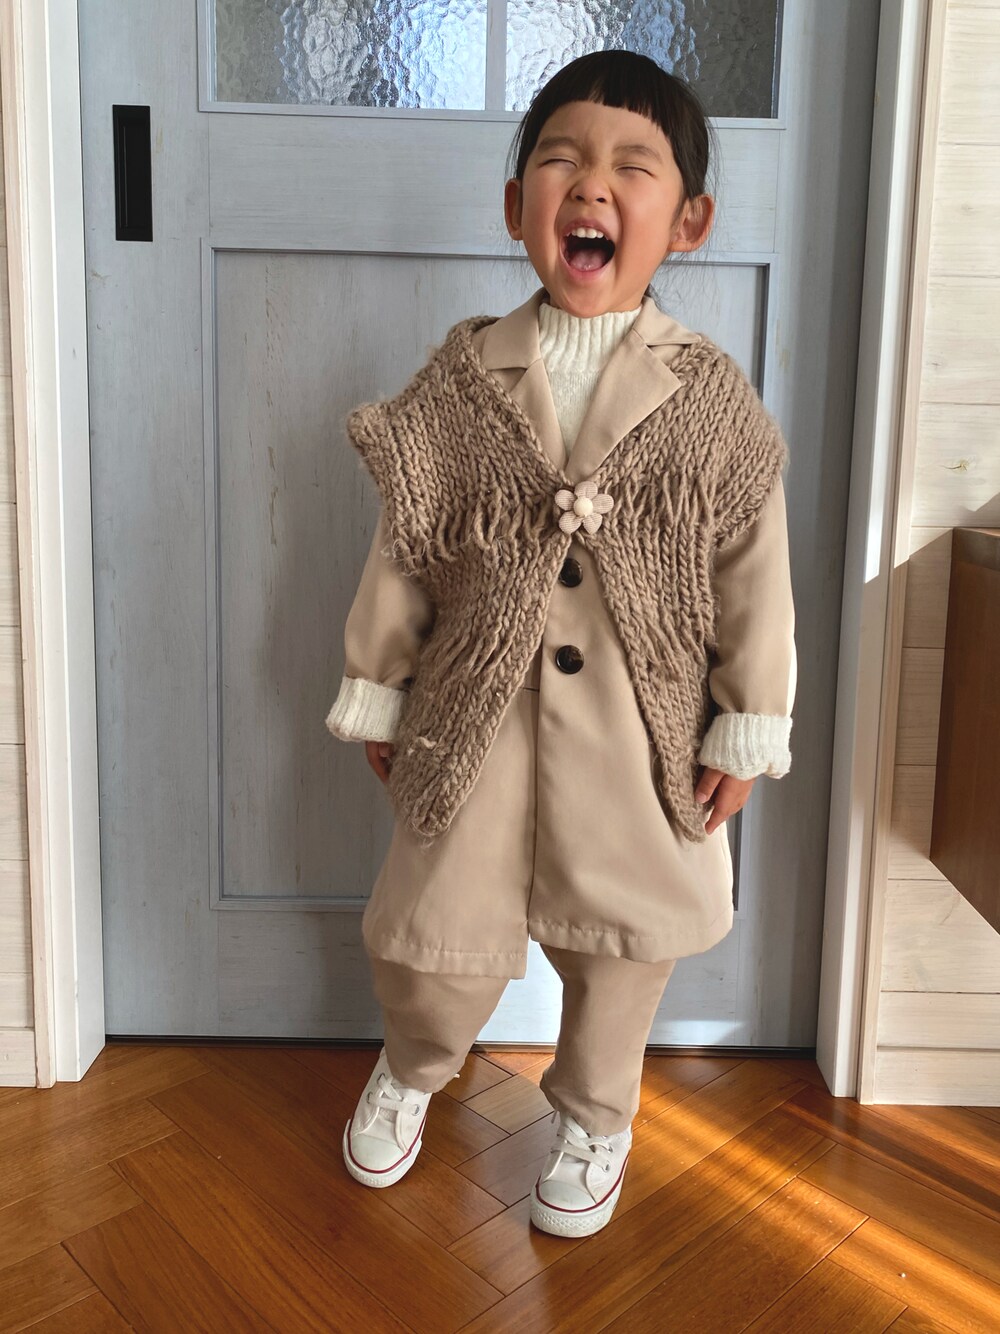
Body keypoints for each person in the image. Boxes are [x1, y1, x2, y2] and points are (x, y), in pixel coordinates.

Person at [325, 49, 796, 1239]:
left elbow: (751, 574)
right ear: (515, 206)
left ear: (686, 222)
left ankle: (595, 1113)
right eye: (560, 160)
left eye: (632, 167)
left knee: (625, 945)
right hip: (475, 722)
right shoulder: (461, 381)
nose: (591, 185)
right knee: (436, 926)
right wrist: (380, 685)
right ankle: (413, 1062)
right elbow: (408, 543)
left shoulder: (708, 399)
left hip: (640, 731)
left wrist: (747, 721)